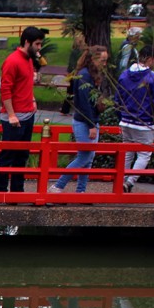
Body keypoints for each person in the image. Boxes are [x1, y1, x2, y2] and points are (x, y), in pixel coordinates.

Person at [48, 44, 108, 195]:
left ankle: (81, 190)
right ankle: (59, 186)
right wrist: (91, 125)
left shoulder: (92, 75)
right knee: (85, 155)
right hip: (85, 121)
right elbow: (83, 103)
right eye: (102, 60)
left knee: (89, 156)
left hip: (91, 120)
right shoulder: (84, 76)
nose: (104, 63)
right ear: (93, 59)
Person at [0, 25, 43, 194]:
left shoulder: (29, 60)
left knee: (22, 155)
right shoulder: (12, 61)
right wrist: (11, 114)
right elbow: (5, 90)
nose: (39, 48)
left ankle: (17, 190)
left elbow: (26, 84)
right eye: (37, 44)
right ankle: (0, 191)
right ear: (27, 42)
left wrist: (33, 99)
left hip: (27, 113)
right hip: (15, 117)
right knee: (8, 155)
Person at [116, 45, 154, 193]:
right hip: (144, 122)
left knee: (128, 151)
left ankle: (122, 179)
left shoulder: (124, 75)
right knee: (144, 153)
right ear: (150, 59)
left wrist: (121, 117)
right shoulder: (152, 77)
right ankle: (130, 181)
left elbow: (117, 99)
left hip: (126, 120)